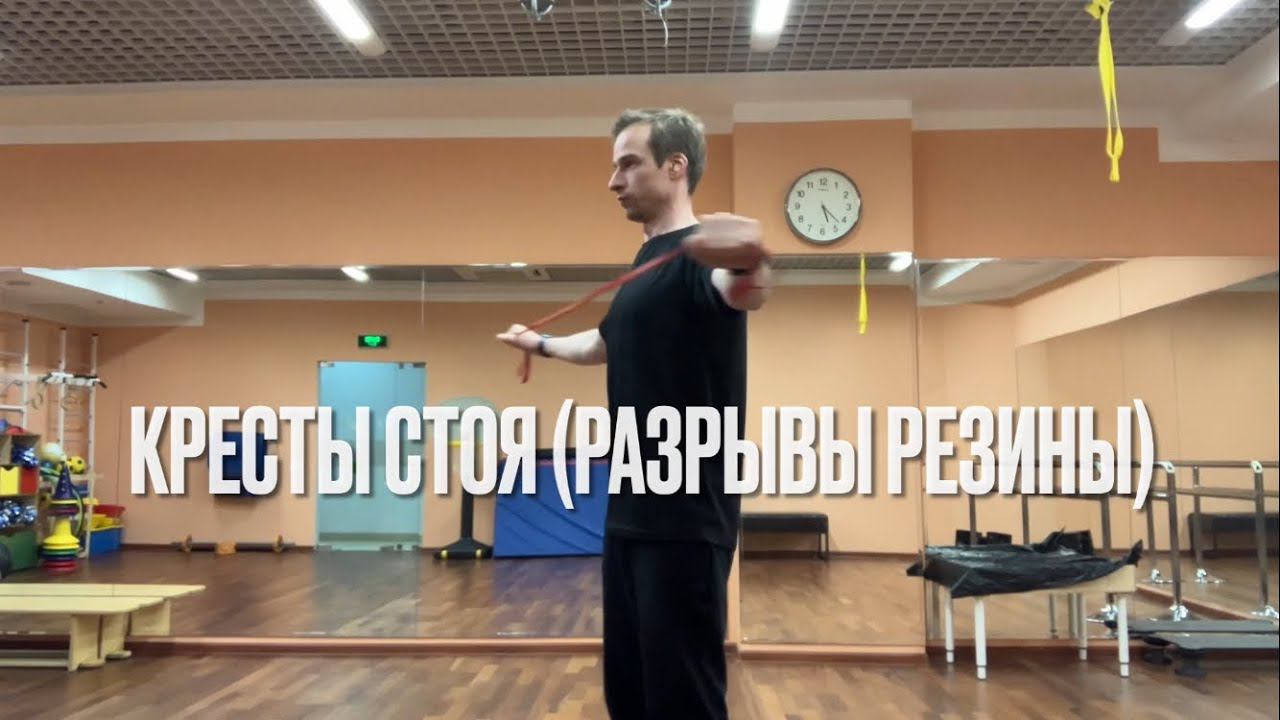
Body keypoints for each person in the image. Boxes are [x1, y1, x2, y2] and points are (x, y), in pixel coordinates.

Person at [497, 107, 772, 719]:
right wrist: (539, 344)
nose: (613, 181)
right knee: (630, 693)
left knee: (681, 700)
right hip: (629, 516)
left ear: (675, 167)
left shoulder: (700, 259)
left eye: (628, 164)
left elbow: (742, 290)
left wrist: (751, 261)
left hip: (684, 519)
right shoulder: (645, 267)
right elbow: (604, 344)